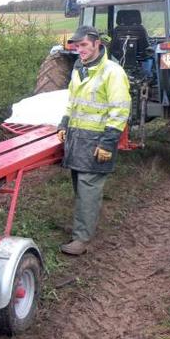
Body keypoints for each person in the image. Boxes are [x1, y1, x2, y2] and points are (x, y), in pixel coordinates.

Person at [56, 25, 130, 256]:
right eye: (77, 46)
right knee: (80, 187)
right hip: (78, 140)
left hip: (98, 142)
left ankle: (81, 239)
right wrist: (64, 123)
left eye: (84, 45)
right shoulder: (80, 69)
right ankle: (83, 227)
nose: (80, 50)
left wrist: (108, 143)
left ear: (98, 43)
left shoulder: (113, 72)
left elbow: (119, 111)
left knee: (88, 190)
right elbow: (73, 100)